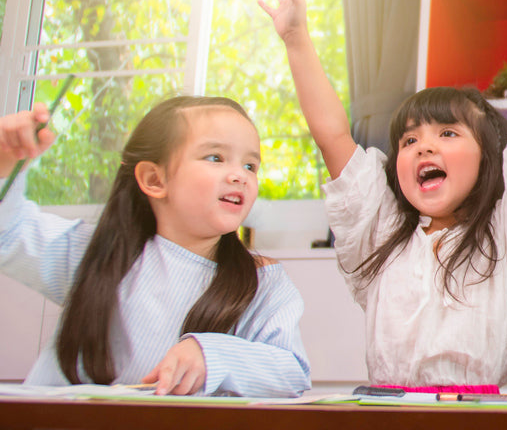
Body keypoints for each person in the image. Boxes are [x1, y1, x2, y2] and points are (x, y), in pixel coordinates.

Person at [259, 0, 507, 391]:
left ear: (489, 160)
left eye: (447, 134)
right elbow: (332, 136)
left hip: (475, 417)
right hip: (382, 415)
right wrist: (296, 39)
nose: (424, 147)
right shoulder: (381, 233)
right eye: (409, 139)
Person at [0, 96, 309, 397]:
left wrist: (212, 356)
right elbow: (8, 232)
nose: (239, 175)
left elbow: (292, 373)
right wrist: (4, 162)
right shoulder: (94, 251)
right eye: (215, 157)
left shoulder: (264, 283)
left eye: (250, 166)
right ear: (153, 179)